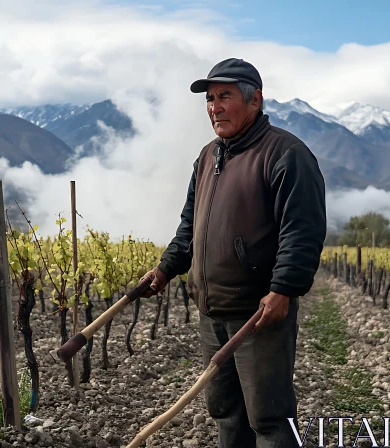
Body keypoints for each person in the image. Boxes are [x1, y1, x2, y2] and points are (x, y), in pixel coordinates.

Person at [138, 58, 327, 447]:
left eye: (225, 96)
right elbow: (190, 225)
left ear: (254, 100)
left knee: (269, 419)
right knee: (226, 413)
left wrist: (284, 289)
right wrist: (166, 269)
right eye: (209, 98)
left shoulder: (286, 154)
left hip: (257, 312)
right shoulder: (208, 156)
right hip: (213, 311)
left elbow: (302, 231)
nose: (214, 107)